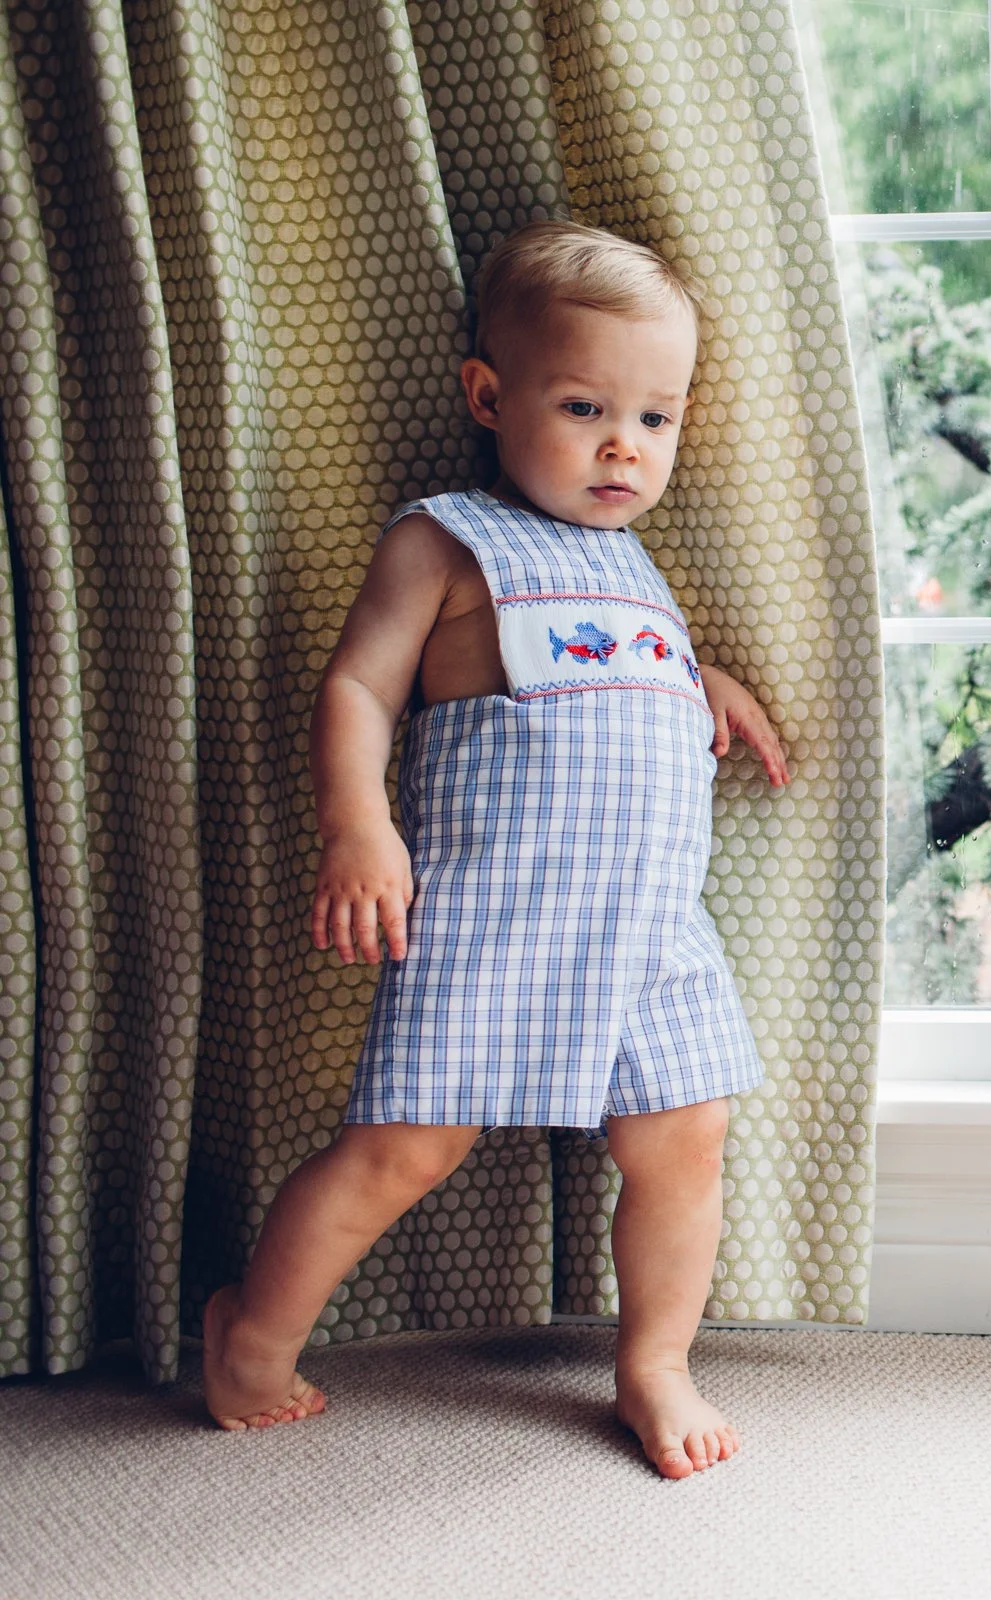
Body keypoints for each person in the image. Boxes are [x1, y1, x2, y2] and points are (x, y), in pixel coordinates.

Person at [200, 219, 788, 1480]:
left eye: (656, 418)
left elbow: (618, 672)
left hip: (652, 926)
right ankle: (252, 1333)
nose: (625, 445)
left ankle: (655, 1360)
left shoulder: (638, 565)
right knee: (408, 1146)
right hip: (494, 913)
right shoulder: (448, 538)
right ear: (488, 396)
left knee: (687, 1137)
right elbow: (360, 687)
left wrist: (702, 679)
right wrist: (360, 826)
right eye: (585, 408)